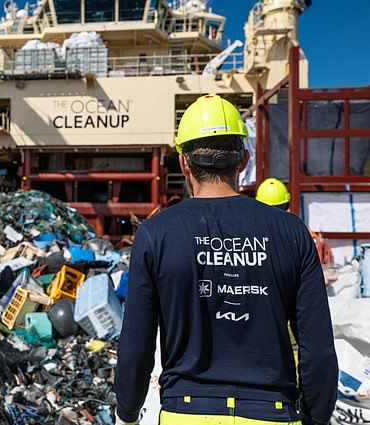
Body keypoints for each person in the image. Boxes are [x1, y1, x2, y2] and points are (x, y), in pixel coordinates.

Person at [114, 95, 337, 425]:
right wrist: (316, 417)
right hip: (273, 412)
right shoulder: (291, 232)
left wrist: (128, 411)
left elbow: (136, 345)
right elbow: (317, 348)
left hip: (185, 412)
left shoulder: (155, 234)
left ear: (184, 163)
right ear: (243, 160)